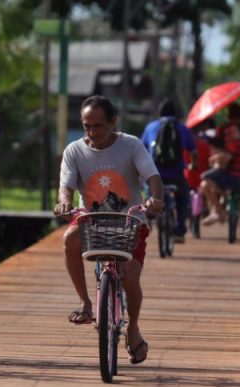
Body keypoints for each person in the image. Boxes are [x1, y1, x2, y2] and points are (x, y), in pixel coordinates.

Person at [53, 95, 163, 365]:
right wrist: (65, 203)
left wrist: (155, 199)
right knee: (69, 239)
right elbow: (66, 184)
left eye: (98, 126)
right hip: (92, 220)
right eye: (87, 126)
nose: (92, 133)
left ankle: (133, 329)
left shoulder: (131, 145)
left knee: (130, 280)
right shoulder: (74, 150)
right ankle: (86, 303)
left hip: (130, 221)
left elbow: (152, 176)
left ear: (113, 121)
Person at [198, 102, 240, 240]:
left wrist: (216, 158)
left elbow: (219, 148)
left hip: (227, 169)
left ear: (228, 114)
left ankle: (217, 211)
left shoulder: (223, 129)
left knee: (210, 181)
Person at [140, 99, 196, 243]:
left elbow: (141, 150)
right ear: (176, 114)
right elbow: (194, 152)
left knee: (150, 195)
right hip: (176, 174)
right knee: (183, 198)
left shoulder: (151, 127)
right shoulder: (183, 128)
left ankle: (148, 218)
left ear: (160, 113)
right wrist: (193, 166)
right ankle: (180, 230)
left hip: (154, 174)